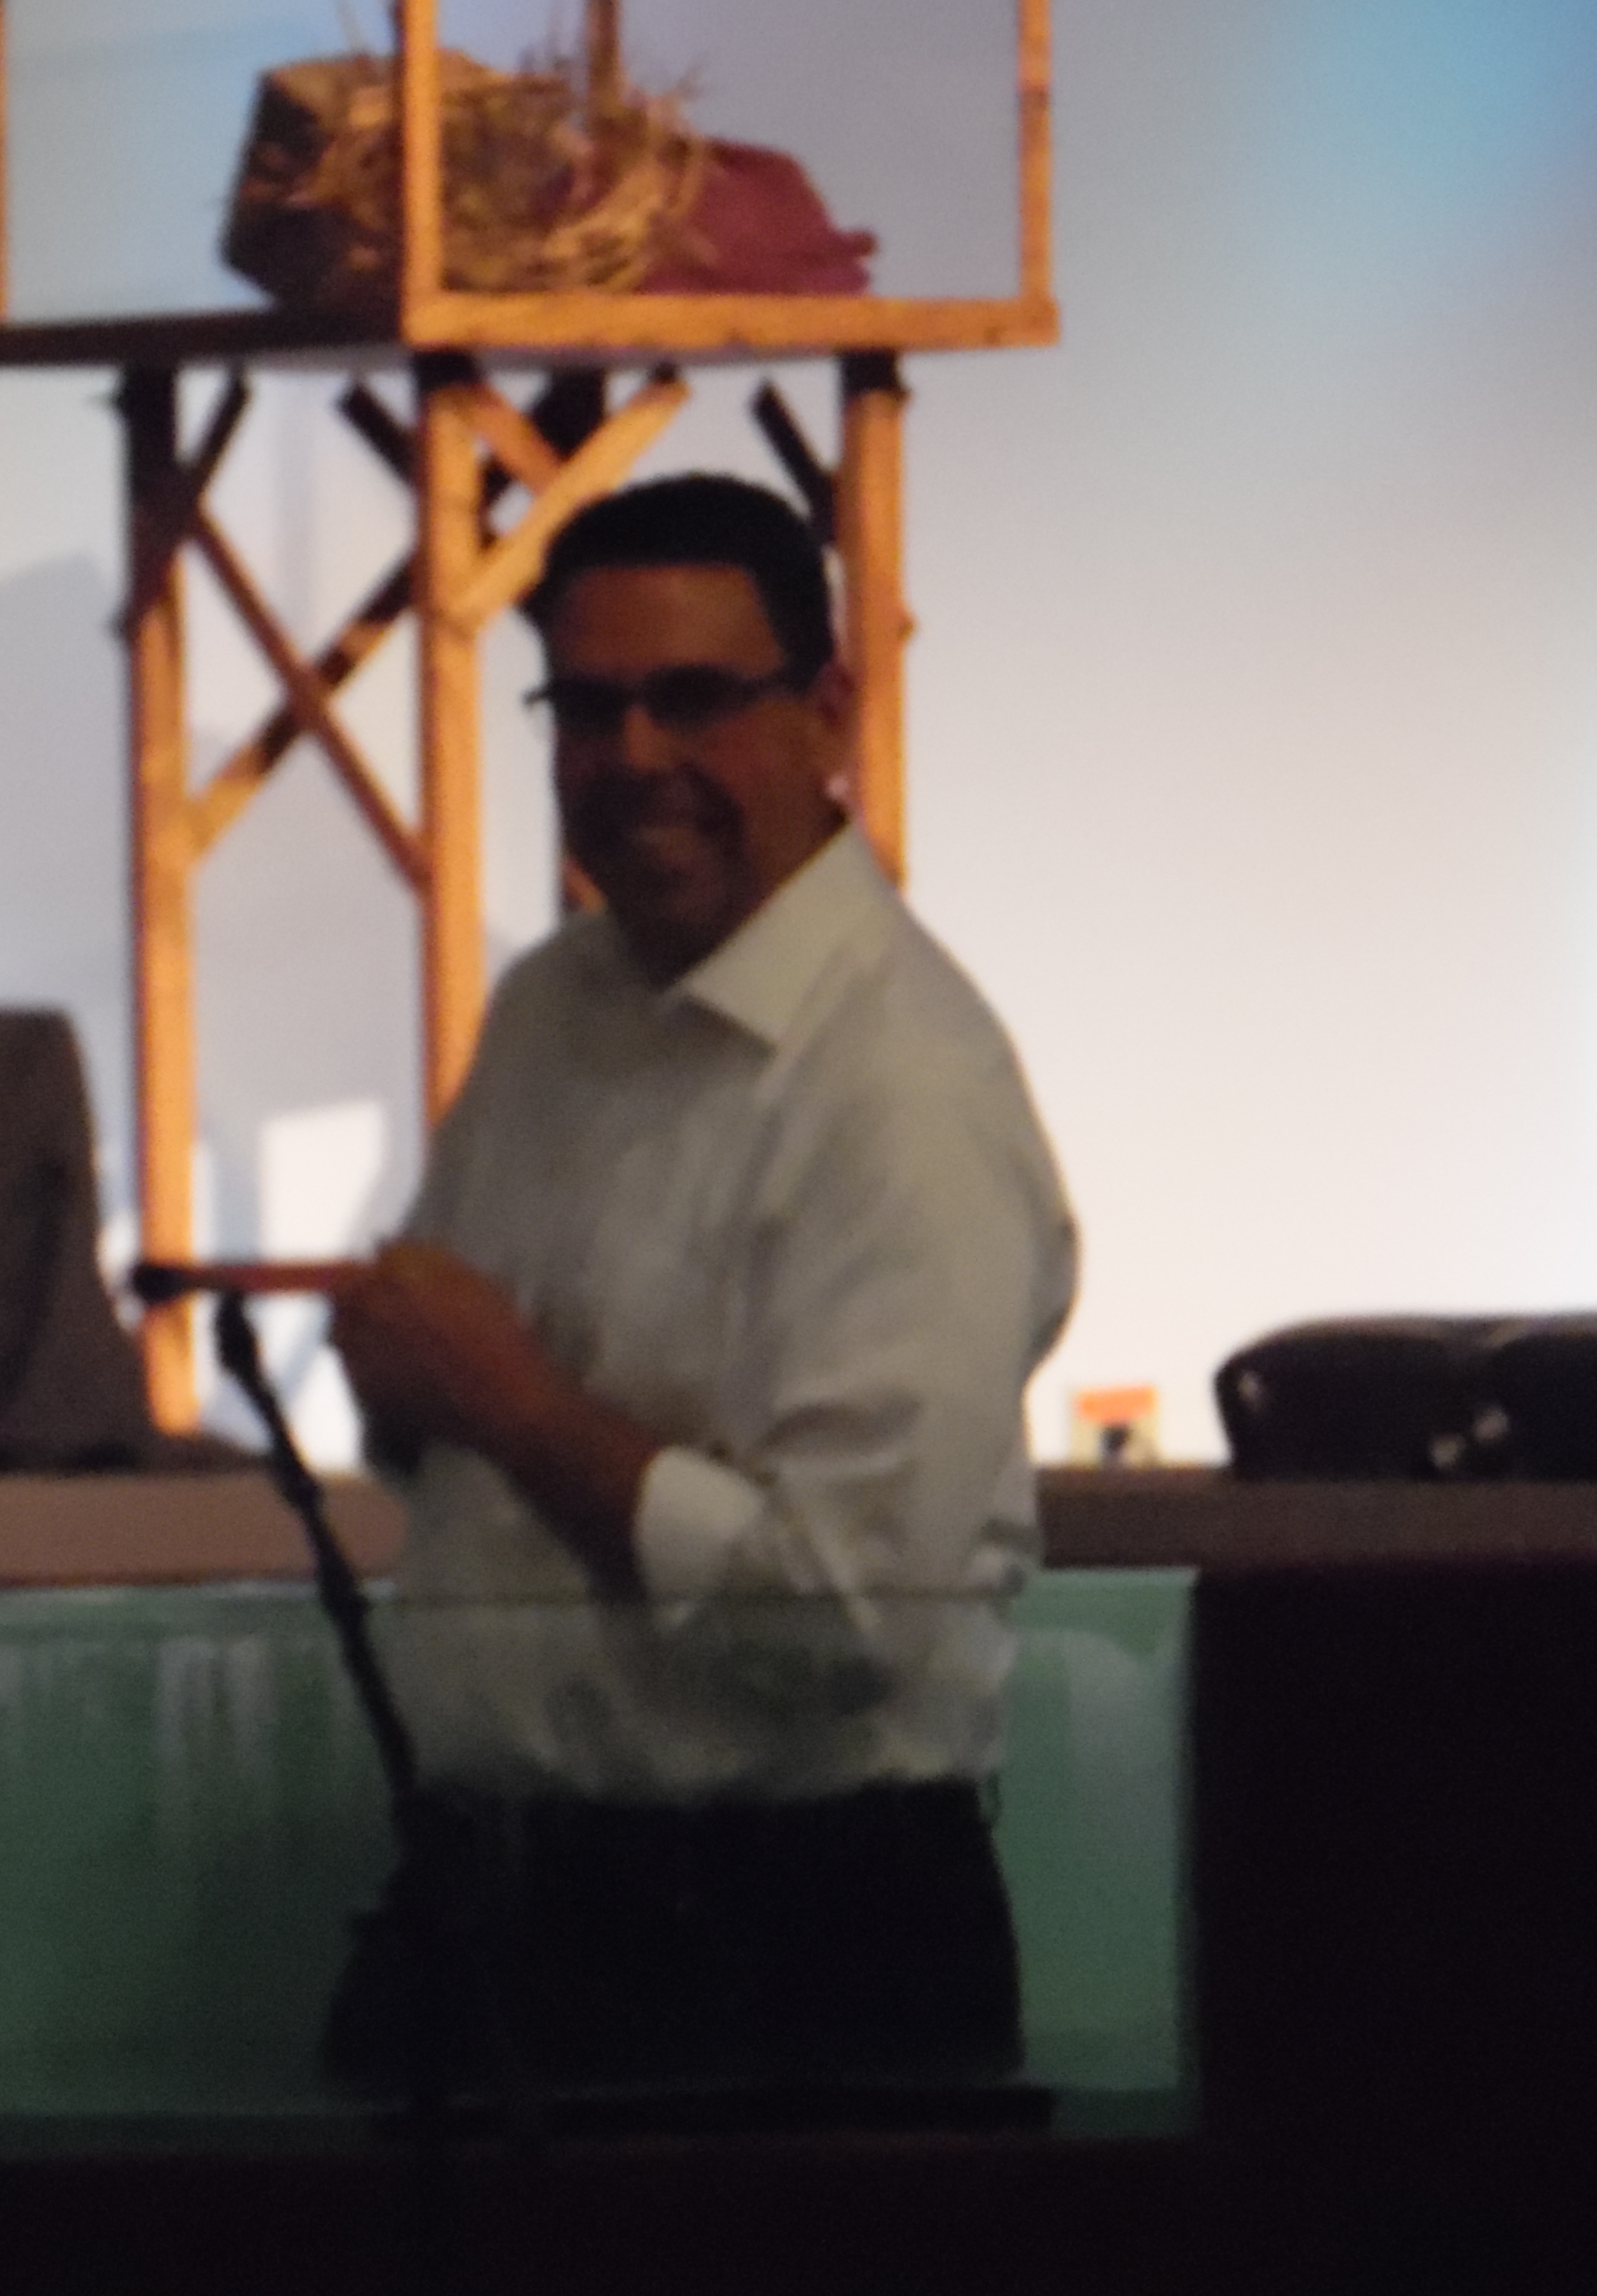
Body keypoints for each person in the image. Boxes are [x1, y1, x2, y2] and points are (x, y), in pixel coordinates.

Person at [324, 475, 1077, 2092]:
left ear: (827, 716)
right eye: (588, 707)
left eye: (693, 698)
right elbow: (441, 1442)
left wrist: (520, 1411)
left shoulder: (902, 1086)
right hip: (500, 1906)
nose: (636, 755)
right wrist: (409, 1383)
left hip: (799, 1946)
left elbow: (849, 1617)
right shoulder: (552, 1010)